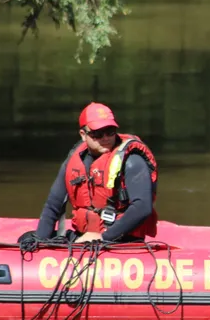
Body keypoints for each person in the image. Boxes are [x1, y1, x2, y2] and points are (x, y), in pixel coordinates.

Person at [34, 102, 158, 244]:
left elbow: (142, 207)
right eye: (97, 133)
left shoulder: (132, 161)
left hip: (121, 240)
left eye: (110, 131)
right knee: (27, 238)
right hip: (84, 237)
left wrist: (103, 238)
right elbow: (53, 205)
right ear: (83, 134)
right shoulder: (74, 160)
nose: (105, 138)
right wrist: (40, 242)